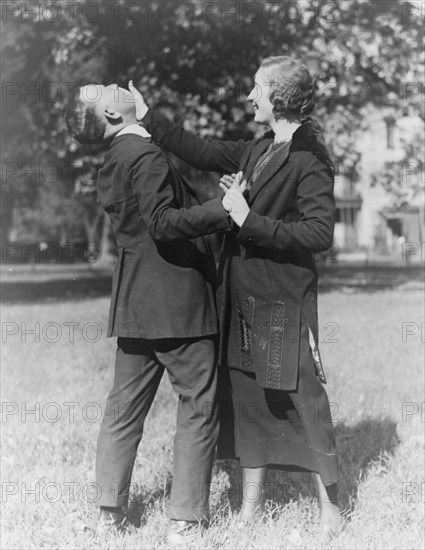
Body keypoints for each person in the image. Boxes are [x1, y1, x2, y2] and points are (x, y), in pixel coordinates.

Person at [131, 56, 342, 535]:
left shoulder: (309, 161)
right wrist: (147, 118)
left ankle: (332, 504)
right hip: (242, 295)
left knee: (301, 398)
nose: (249, 96)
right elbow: (201, 151)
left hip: (282, 299)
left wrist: (248, 219)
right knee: (248, 397)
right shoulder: (258, 147)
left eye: (256, 88)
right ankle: (251, 506)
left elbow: (319, 233)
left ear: (279, 98)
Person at [65, 82, 232, 546]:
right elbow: (161, 222)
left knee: (122, 410)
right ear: (113, 117)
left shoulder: (115, 161)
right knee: (198, 405)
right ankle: (185, 520)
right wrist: (222, 211)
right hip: (178, 303)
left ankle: (108, 512)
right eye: (102, 93)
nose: (114, 85)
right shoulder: (146, 156)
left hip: (135, 303)